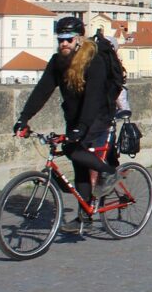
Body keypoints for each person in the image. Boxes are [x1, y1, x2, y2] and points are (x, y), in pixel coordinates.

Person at [14, 16, 123, 234]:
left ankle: (109, 172)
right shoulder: (58, 62)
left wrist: (81, 128)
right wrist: (23, 118)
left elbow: (93, 98)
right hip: (75, 118)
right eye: (60, 39)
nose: (64, 43)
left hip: (98, 116)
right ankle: (85, 218)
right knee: (79, 169)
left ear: (79, 39)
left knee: (72, 149)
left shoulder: (94, 61)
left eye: (69, 39)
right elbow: (42, 91)